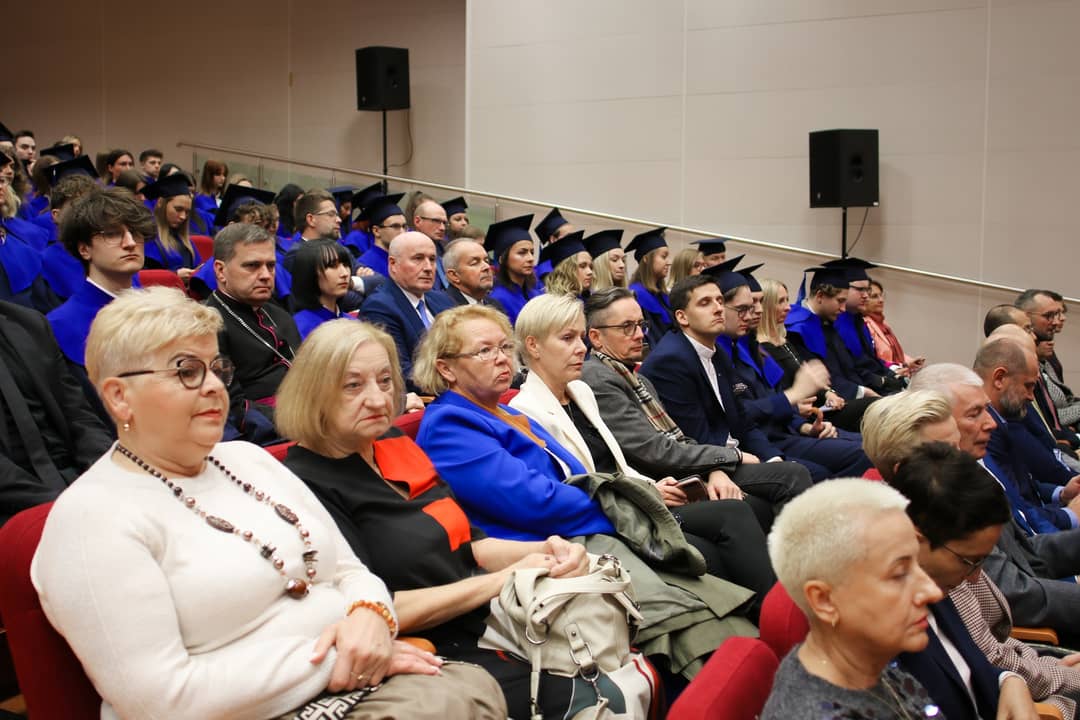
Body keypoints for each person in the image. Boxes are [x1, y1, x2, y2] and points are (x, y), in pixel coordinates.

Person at [32, 286, 506, 720]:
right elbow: (160, 701)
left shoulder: (248, 460)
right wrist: (337, 660)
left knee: (475, 689)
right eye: (187, 371)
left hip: (359, 685)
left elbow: (352, 572)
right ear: (119, 397)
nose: (214, 386)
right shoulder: (91, 520)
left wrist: (369, 614)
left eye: (216, 368)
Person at [276, 318, 606, 719]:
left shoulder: (391, 443)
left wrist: (548, 550)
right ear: (313, 392)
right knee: (593, 697)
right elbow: (366, 608)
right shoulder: (303, 483)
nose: (378, 399)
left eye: (385, 381)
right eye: (353, 385)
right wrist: (502, 580)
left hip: (486, 617)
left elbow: (471, 543)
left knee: (613, 663)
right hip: (426, 648)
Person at [411, 303, 758, 679]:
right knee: (694, 612)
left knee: (709, 577)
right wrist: (623, 508)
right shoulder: (450, 425)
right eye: (484, 350)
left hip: (580, 534)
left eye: (504, 347)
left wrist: (621, 504)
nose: (501, 358)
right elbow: (537, 502)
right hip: (546, 553)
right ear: (446, 368)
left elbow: (577, 476)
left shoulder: (507, 413)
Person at [509, 294, 776, 606]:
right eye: (568, 338)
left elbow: (619, 463)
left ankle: (767, 612)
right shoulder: (526, 410)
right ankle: (775, 615)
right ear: (533, 346)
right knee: (726, 522)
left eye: (580, 338)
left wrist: (653, 485)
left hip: (636, 497)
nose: (581, 348)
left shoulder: (580, 390)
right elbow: (575, 484)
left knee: (749, 507)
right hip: (607, 519)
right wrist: (647, 492)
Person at [862, 391, 1080, 718]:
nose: (963, 459)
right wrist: (1059, 678)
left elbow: (989, 658)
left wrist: (1023, 676)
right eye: (946, 451)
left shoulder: (947, 526)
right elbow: (986, 658)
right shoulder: (930, 560)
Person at [910, 363, 1080, 634]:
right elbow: (1011, 592)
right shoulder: (938, 494)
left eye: (987, 410)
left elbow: (1025, 555)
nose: (990, 423)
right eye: (975, 414)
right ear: (935, 424)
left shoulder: (975, 467)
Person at [761, 478, 946, 719]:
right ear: (825, 601)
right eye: (899, 574)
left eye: (918, 565)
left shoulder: (868, 661)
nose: (932, 591)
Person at [639, 276, 813, 529]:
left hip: (730, 455)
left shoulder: (716, 352)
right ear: (682, 317)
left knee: (792, 468)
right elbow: (691, 436)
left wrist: (772, 458)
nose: (718, 308)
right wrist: (730, 460)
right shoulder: (671, 360)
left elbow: (742, 421)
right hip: (702, 464)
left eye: (720, 301)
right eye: (705, 303)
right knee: (794, 476)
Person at [889, 443, 1040, 720]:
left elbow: (970, 672)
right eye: (970, 561)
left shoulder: (934, 582)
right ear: (915, 537)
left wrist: (1009, 680)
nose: (975, 577)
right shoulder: (876, 624)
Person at [710, 269, 871, 482]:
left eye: (758, 303)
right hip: (764, 440)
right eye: (746, 307)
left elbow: (772, 396)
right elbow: (742, 413)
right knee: (856, 454)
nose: (756, 311)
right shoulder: (722, 353)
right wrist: (793, 396)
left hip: (787, 429)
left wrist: (804, 426)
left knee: (868, 445)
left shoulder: (750, 346)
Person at [0, 298, 112, 526]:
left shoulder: (29, 323)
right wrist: (64, 507)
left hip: (82, 485)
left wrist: (106, 474)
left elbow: (80, 415)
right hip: (12, 510)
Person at [47, 188, 150, 399]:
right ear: (84, 249)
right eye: (112, 234)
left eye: (136, 233)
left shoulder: (161, 310)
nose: (130, 243)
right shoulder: (59, 326)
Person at [206, 222, 300, 436]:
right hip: (270, 431)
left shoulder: (280, 315)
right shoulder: (208, 327)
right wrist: (299, 417)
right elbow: (233, 408)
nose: (266, 275)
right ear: (220, 270)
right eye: (252, 266)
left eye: (271, 266)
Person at [361, 232, 454, 393]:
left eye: (432, 259)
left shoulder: (442, 300)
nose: (428, 268)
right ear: (393, 264)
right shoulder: (379, 307)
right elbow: (400, 373)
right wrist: (462, 382)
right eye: (418, 258)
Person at [290, 240, 358, 340]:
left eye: (345, 265)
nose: (344, 273)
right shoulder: (299, 328)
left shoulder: (354, 324)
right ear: (310, 273)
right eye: (332, 266)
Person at [143, 173, 202, 280]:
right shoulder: (148, 239)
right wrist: (174, 276)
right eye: (178, 209)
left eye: (187, 212)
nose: (183, 217)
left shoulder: (186, 242)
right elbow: (144, 278)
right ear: (160, 203)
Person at [486, 214, 542, 324]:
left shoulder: (536, 293)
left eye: (532, 252)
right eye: (522, 253)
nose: (530, 258)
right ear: (502, 259)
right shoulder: (497, 299)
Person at [864, 278, 925, 376]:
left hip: (896, 372)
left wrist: (910, 362)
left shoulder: (883, 325)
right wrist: (899, 367)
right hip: (882, 375)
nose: (881, 300)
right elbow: (874, 358)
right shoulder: (864, 324)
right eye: (874, 296)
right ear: (864, 299)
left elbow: (894, 353)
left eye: (881, 295)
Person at [626, 227, 673, 349]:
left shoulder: (663, 295)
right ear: (646, 258)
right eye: (663, 257)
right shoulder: (637, 295)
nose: (668, 262)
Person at [442, 237, 503, 311]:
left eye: (486, 261)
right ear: (454, 275)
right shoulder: (445, 308)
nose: (487, 267)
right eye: (474, 263)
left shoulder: (494, 305)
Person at [355, 193, 407, 277]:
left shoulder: (403, 260)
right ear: (376, 231)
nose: (402, 232)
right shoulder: (365, 267)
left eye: (404, 226)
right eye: (395, 226)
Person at [537, 230, 592, 298]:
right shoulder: (551, 302)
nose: (590, 272)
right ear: (565, 270)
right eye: (582, 266)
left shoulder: (587, 298)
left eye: (591, 267)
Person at [411, 199, 450, 289]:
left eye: (444, 223)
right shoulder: (406, 252)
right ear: (418, 221)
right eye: (436, 221)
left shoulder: (442, 253)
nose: (442, 228)